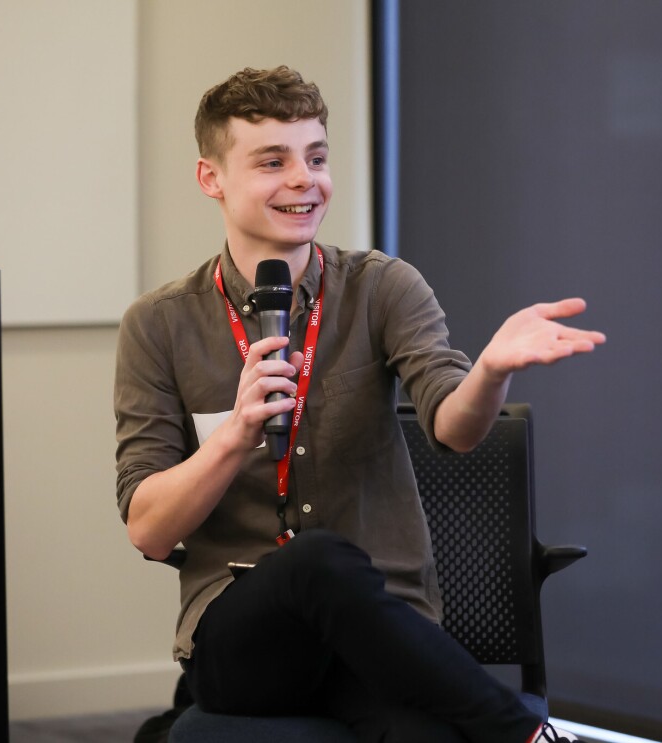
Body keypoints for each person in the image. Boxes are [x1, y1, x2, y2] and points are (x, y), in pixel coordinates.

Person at [114, 65, 605, 743]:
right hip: (242, 640)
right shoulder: (159, 324)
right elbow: (148, 531)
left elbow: (453, 428)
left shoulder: (383, 287)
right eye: (272, 160)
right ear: (212, 178)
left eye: (316, 157)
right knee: (317, 559)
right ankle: (528, 734)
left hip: (376, 627)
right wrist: (234, 435)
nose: (302, 179)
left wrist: (489, 370)